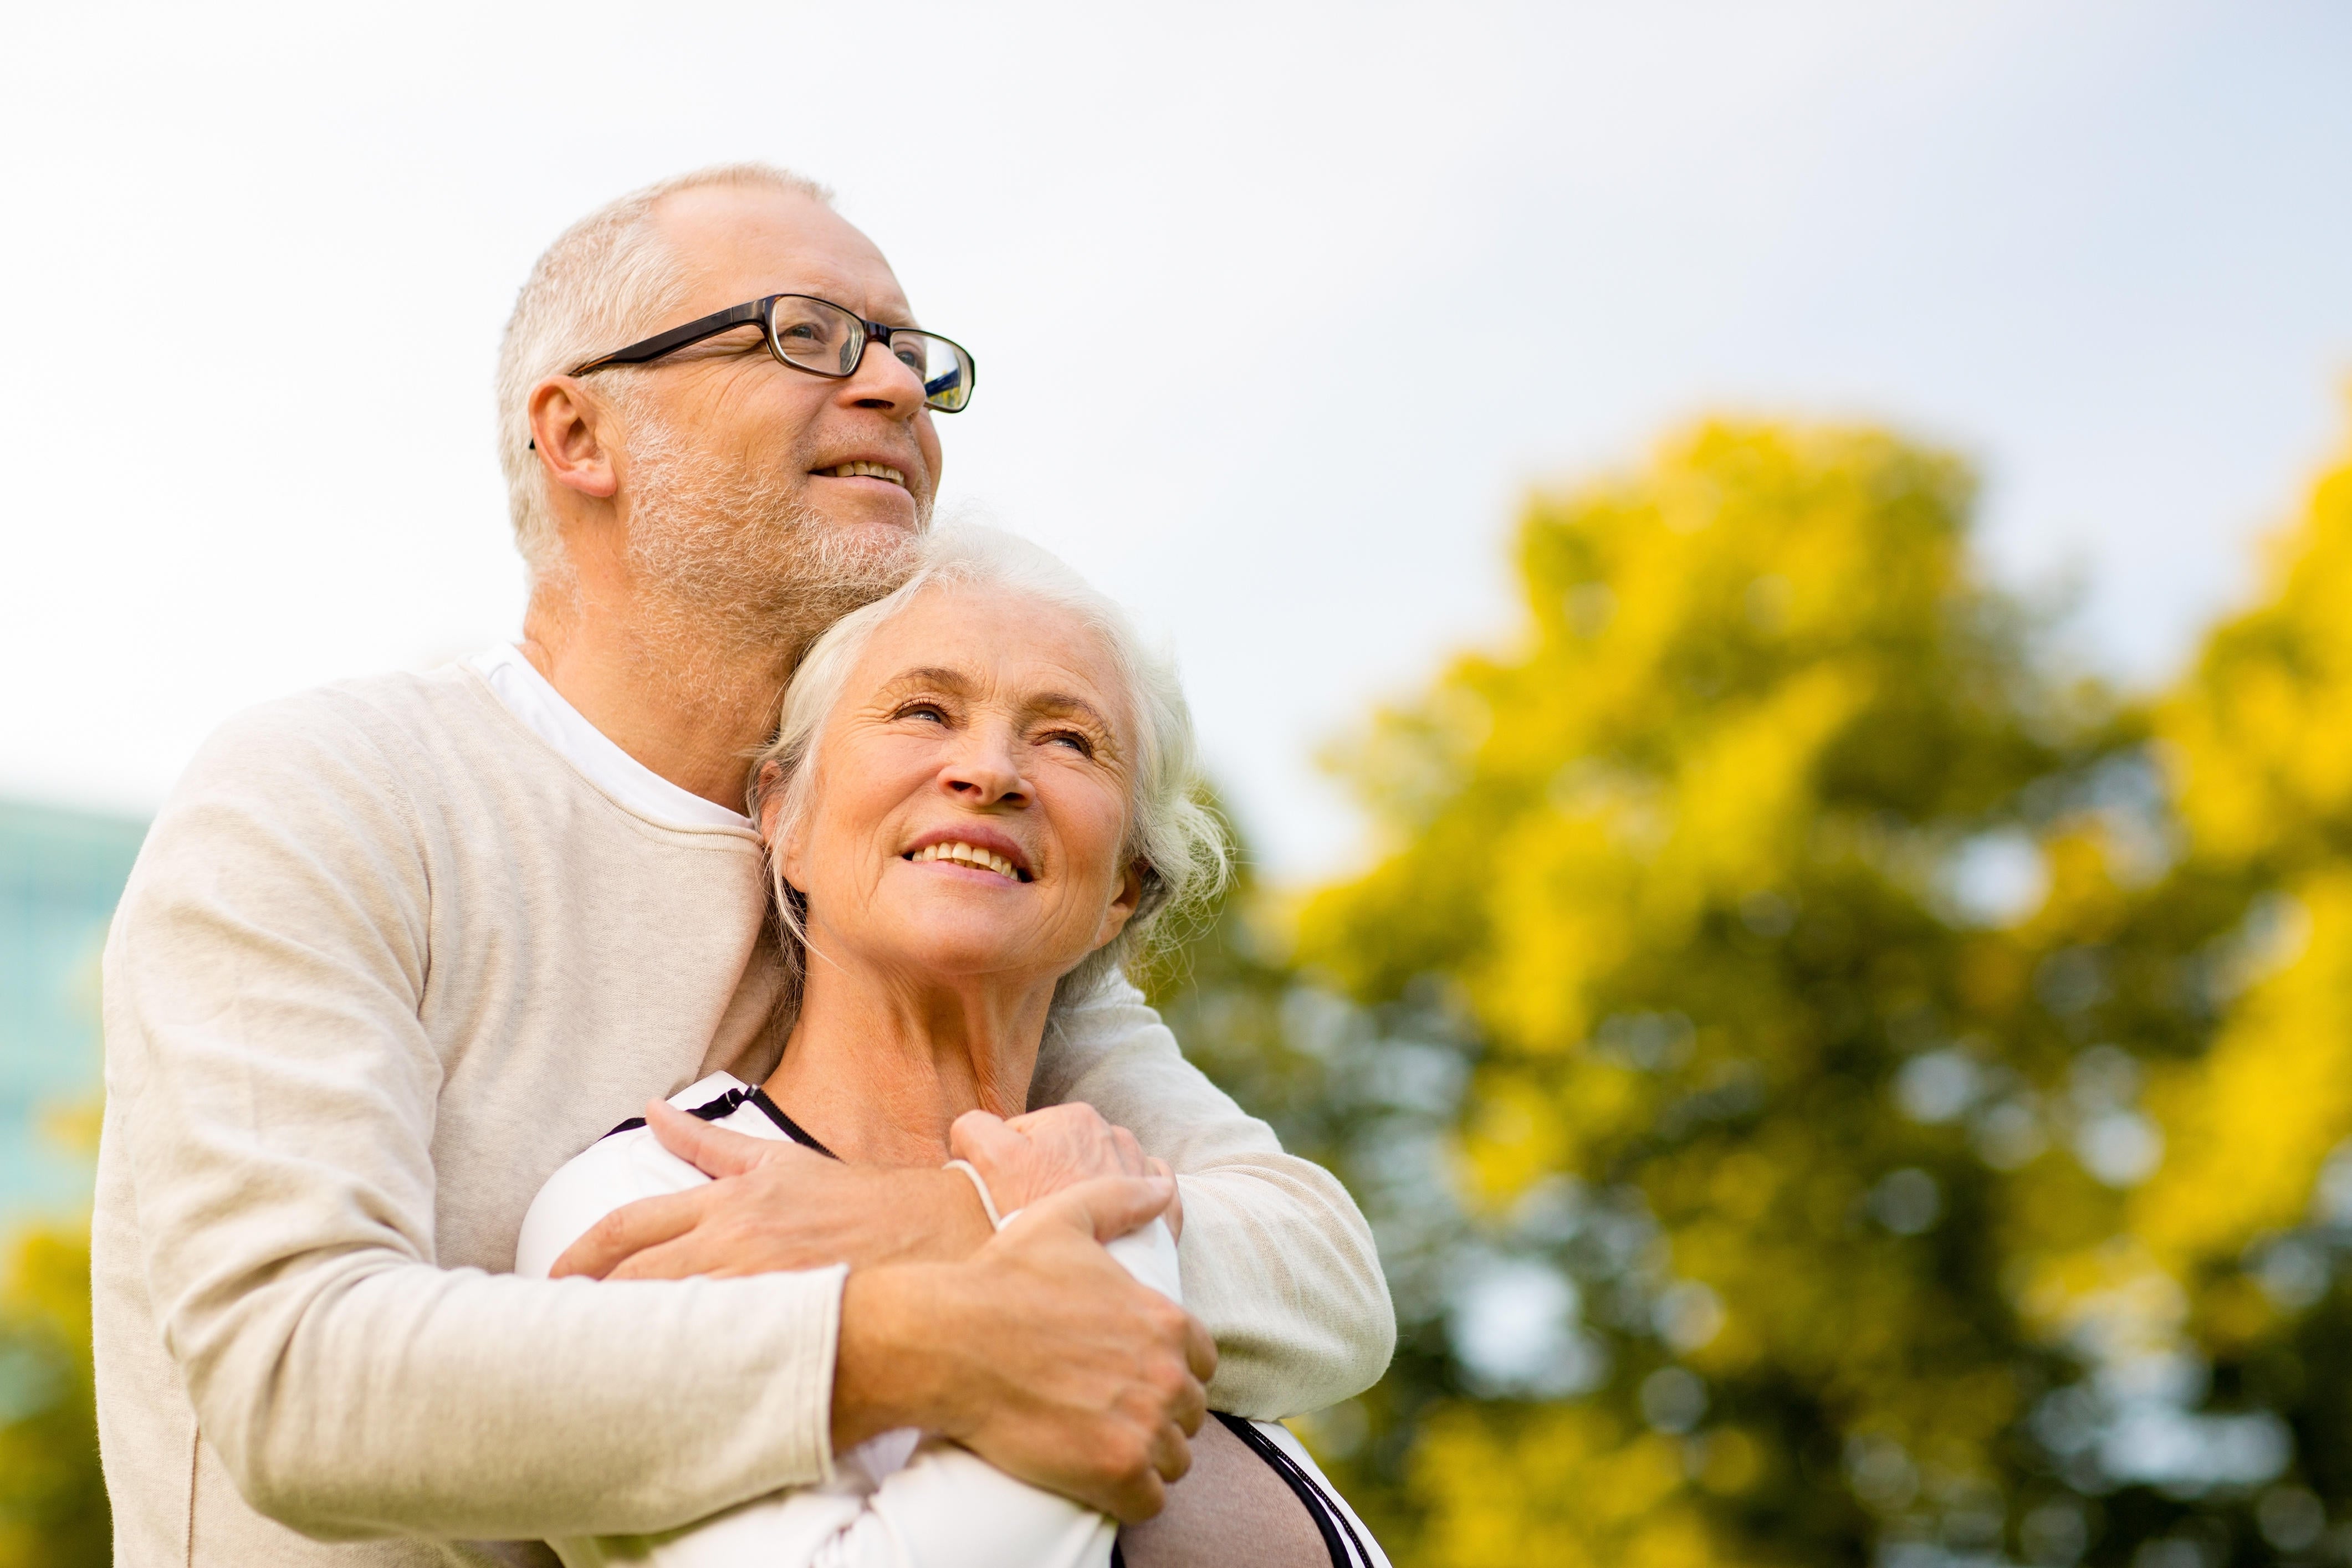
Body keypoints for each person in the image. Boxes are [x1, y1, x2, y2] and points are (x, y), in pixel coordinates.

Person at [93, 163, 1393, 1566]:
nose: (893, 386)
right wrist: (913, 1333)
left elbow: (1317, 1273)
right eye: (805, 333)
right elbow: (298, 1378)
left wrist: (929, 1219)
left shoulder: (915, 882)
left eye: (907, 350)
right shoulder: (338, 791)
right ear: (579, 430)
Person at [513, 527, 1385, 1567]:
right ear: (785, 816)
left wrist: (1000, 1217)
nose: (989, 770)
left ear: (1123, 891)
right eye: (924, 710)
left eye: (1068, 739)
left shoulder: (1136, 1187)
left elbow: (1339, 1292)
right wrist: (1092, 1238)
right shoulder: (654, 1192)